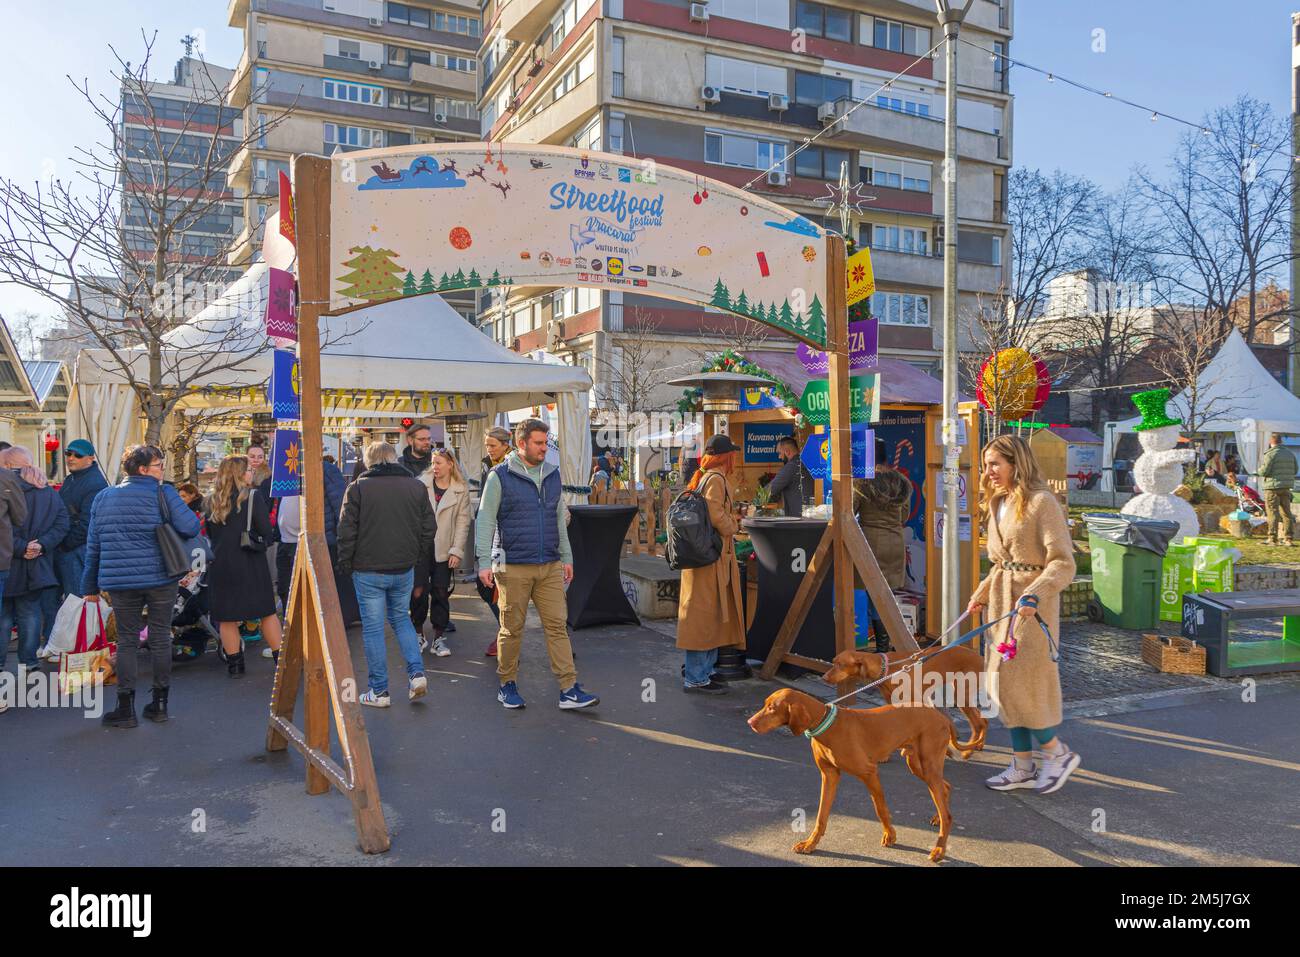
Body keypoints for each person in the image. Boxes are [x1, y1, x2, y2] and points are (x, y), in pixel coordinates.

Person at [967, 434, 1079, 794]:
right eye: (986, 465)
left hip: (1033, 610)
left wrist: (1034, 595)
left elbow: (1063, 562)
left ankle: (1056, 753)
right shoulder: (998, 502)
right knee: (1004, 686)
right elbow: (1001, 562)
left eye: (995, 464)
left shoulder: (1042, 502)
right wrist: (982, 594)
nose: (989, 472)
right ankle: (1022, 766)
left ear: (1017, 463)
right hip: (1002, 605)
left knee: (1029, 687)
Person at [476, 418, 599, 710]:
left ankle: (568, 688)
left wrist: (566, 557)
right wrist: (484, 562)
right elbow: (485, 520)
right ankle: (507, 684)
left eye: (546, 443)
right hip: (512, 565)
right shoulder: (500, 476)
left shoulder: (553, 475)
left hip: (549, 565)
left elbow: (558, 520)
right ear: (522, 444)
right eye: (539, 443)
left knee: (557, 626)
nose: (545, 448)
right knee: (511, 629)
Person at [82, 445, 201, 727]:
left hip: (120, 581)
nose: (162, 470)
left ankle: (125, 709)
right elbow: (191, 527)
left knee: (126, 641)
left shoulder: (103, 497)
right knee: (160, 637)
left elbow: (94, 546)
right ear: (143, 469)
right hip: (161, 576)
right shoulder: (164, 493)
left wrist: (89, 585)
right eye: (159, 465)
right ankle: (159, 704)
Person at [337, 442, 435, 706]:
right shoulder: (416, 487)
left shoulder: (357, 488)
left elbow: (346, 531)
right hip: (403, 566)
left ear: (369, 462)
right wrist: (415, 555)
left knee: (373, 629)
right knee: (401, 620)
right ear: (394, 460)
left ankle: (379, 691)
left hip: (367, 568)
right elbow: (429, 528)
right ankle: (416, 674)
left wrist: (346, 563)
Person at [675, 434, 748, 695]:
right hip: (711, 560)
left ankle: (703, 672)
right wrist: (734, 525)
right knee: (703, 618)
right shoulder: (716, 479)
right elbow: (716, 514)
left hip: (706, 559)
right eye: (733, 454)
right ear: (726, 456)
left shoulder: (706, 476)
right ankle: (696, 677)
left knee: (707, 616)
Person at [204, 456, 283, 677]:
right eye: (247, 470)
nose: (251, 473)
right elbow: (267, 532)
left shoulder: (211, 500)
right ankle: (281, 663)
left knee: (227, 618)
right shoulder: (253, 497)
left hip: (221, 565)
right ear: (238, 473)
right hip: (250, 562)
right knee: (266, 613)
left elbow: (210, 535)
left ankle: (235, 665)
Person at [0, 446, 69, 671]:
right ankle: (29, 662)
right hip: (37, 564)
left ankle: (1, 664)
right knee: (30, 613)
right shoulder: (47, 491)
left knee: (4, 617)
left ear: (9, 465)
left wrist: (22, 547)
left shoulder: (5, 488)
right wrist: (41, 545)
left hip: (8, 561)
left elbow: (5, 527)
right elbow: (62, 524)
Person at [852, 438, 913, 653]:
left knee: (873, 595)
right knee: (887, 596)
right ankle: (885, 647)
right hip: (895, 543)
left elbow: (849, 513)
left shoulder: (861, 482)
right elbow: (904, 516)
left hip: (870, 544)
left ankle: (880, 649)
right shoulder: (902, 481)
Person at [413, 448, 471, 656]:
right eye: (433, 463)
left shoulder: (460, 489)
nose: (435, 467)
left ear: (450, 464)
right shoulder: (421, 484)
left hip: (444, 549)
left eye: (438, 463)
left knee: (440, 593)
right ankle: (418, 634)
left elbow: (463, 523)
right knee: (417, 592)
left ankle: (438, 638)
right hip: (421, 549)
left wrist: (456, 551)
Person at [54, 439, 109, 601]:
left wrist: (65, 545)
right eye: (68, 453)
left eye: (78, 455)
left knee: (76, 603)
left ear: (90, 458)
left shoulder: (94, 483)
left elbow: (89, 523)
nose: (71, 458)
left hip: (77, 550)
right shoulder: (72, 478)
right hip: (67, 548)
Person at [477, 426, 512, 656]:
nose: (489, 450)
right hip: (493, 536)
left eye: (493, 445)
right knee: (489, 587)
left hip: (506, 538)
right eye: (487, 445)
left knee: (498, 588)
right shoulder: (487, 466)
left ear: (506, 444)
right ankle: (505, 632)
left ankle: (508, 637)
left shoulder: (510, 467)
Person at [1258, 432, 1297, 547]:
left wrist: (1259, 470)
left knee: (1272, 513)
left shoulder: (1271, 454)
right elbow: (1295, 470)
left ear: (1271, 441)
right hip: (1286, 487)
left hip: (1272, 487)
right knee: (1286, 513)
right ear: (1281, 441)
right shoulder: (1290, 453)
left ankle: (1272, 538)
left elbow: (1264, 471)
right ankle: (1288, 539)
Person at [767, 436, 811, 517]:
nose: (779, 457)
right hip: (811, 516)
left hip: (798, 520)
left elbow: (769, 490)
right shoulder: (807, 462)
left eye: (780, 453)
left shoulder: (791, 466)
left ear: (787, 452)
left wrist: (754, 503)